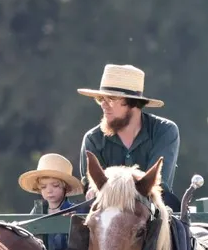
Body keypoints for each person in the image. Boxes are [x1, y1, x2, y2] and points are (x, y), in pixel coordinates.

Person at [77, 63, 183, 211]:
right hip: (107, 210)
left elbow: (158, 185)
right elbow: (93, 187)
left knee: (173, 210)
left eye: (111, 99)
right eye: (101, 99)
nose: (103, 105)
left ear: (133, 102)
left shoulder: (164, 131)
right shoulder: (92, 139)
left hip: (153, 210)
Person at [19, 153, 87, 250]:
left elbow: (83, 243)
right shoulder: (37, 211)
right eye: (44, 187)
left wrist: (74, 223)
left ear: (65, 187)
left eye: (55, 186)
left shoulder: (77, 210)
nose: (49, 191)